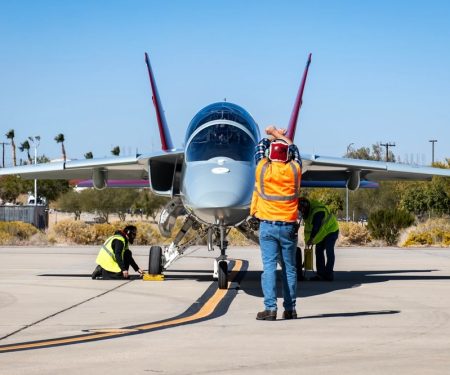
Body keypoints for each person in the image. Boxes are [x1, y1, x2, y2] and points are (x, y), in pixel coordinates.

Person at [250, 125, 302, 320]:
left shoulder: (263, 169)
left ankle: (270, 309)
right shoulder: (295, 171)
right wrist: (279, 135)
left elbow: (260, 146)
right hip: (288, 226)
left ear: (270, 155)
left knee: (269, 267)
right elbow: (295, 149)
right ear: (287, 155)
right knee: (290, 268)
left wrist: (270, 133)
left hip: (268, 226)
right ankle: (290, 309)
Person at [298, 198, 339, 281]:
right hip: (322, 233)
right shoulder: (308, 212)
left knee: (329, 251)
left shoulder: (318, 212)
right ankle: (320, 274)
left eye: (302, 211)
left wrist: (311, 239)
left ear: (306, 207)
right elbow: (308, 229)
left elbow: (316, 228)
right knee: (318, 251)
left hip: (331, 230)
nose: (302, 213)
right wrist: (308, 243)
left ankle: (328, 274)